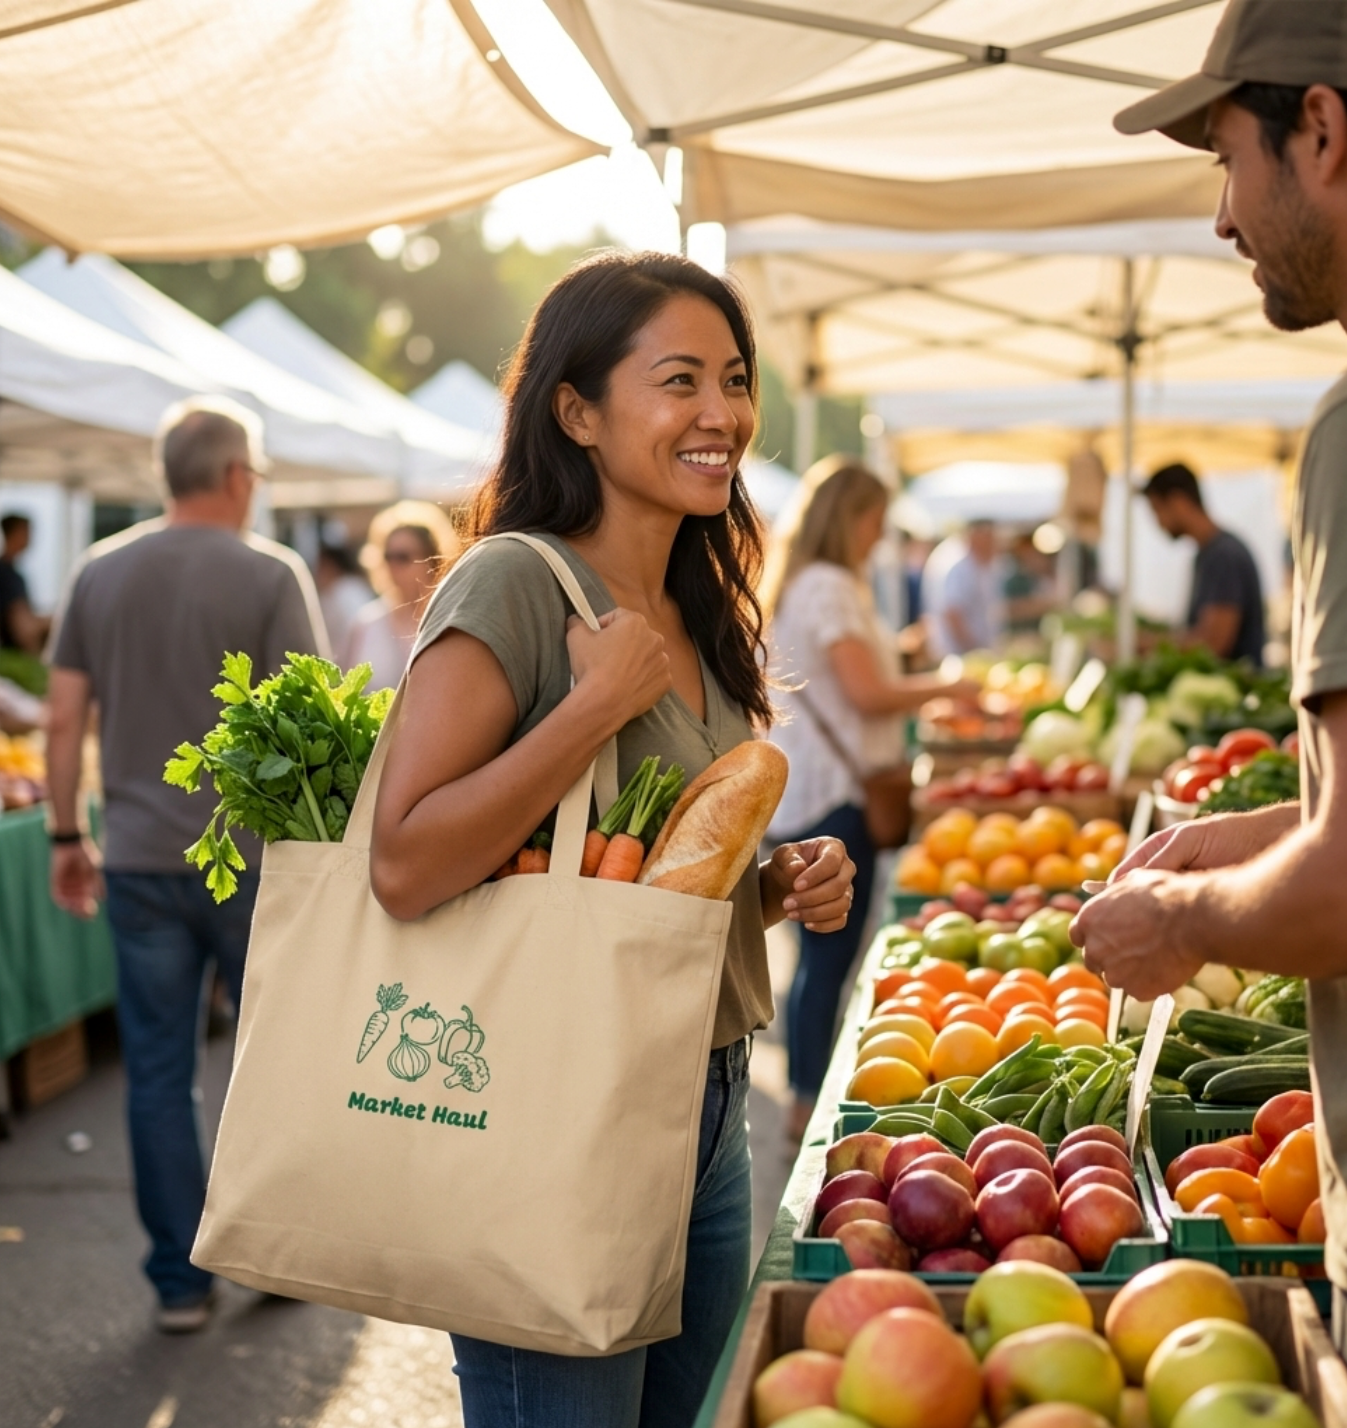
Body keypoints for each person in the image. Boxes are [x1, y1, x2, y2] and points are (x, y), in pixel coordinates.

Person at [366, 252, 858, 1428]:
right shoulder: (512, 588)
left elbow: (641, 888)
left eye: (735, 381)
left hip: (711, 1099)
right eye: (678, 380)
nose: (721, 415)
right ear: (576, 411)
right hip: (556, 1110)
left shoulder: (702, 603)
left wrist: (774, 885)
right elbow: (402, 862)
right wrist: (592, 707)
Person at [1078, 6, 1347, 1425]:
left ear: (1325, 131)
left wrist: (1175, 927)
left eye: (1226, 156)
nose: (1222, 218)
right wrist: (1274, 828)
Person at [45, 397, 327, 1334]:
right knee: (268, 1064)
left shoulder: (98, 572)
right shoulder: (271, 572)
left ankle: (179, 1279)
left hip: (135, 858)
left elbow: (63, 718)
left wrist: (63, 836)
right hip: (254, 863)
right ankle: (266, 1253)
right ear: (237, 476)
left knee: (159, 1072)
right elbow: (316, 725)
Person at [763, 458, 973, 1139]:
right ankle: (806, 1103)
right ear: (848, 518)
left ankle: (803, 1092)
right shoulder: (827, 586)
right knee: (827, 957)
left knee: (813, 956)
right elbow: (864, 693)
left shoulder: (808, 582)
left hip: (807, 788)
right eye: (874, 523)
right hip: (835, 794)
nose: (879, 539)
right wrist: (947, 686)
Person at [1143, 461, 1266, 664]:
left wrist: (1145, 644)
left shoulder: (1224, 556)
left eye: (1157, 510)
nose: (1158, 522)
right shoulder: (1207, 554)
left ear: (1179, 501)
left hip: (1237, 690)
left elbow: (1214, 644)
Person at [342, 500, 457, 691]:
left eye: (403, 556)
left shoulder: (449, 621)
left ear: (433, 560)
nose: (392, 565)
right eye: (388, 556)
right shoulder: (366, 623)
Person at [925, 518, 1007, 656]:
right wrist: (975, 650)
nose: (994, 544)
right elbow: (952, 614)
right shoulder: (960, 569)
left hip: (977, 654)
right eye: (989, 538)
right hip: (961, 655)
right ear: (975, 538)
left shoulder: (983, 567)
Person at [0, 512, 50, 654]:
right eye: (27, 532)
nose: (30, 538)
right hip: (12, 661)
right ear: (16, 533)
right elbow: (24, 629)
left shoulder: (9, 572)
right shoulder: (8, 575)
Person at [313, 539, 372, 656]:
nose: (317, 572)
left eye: (321, 567)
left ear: (330, 566)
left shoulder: (346, 592)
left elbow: (355, 631)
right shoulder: (338, 591)